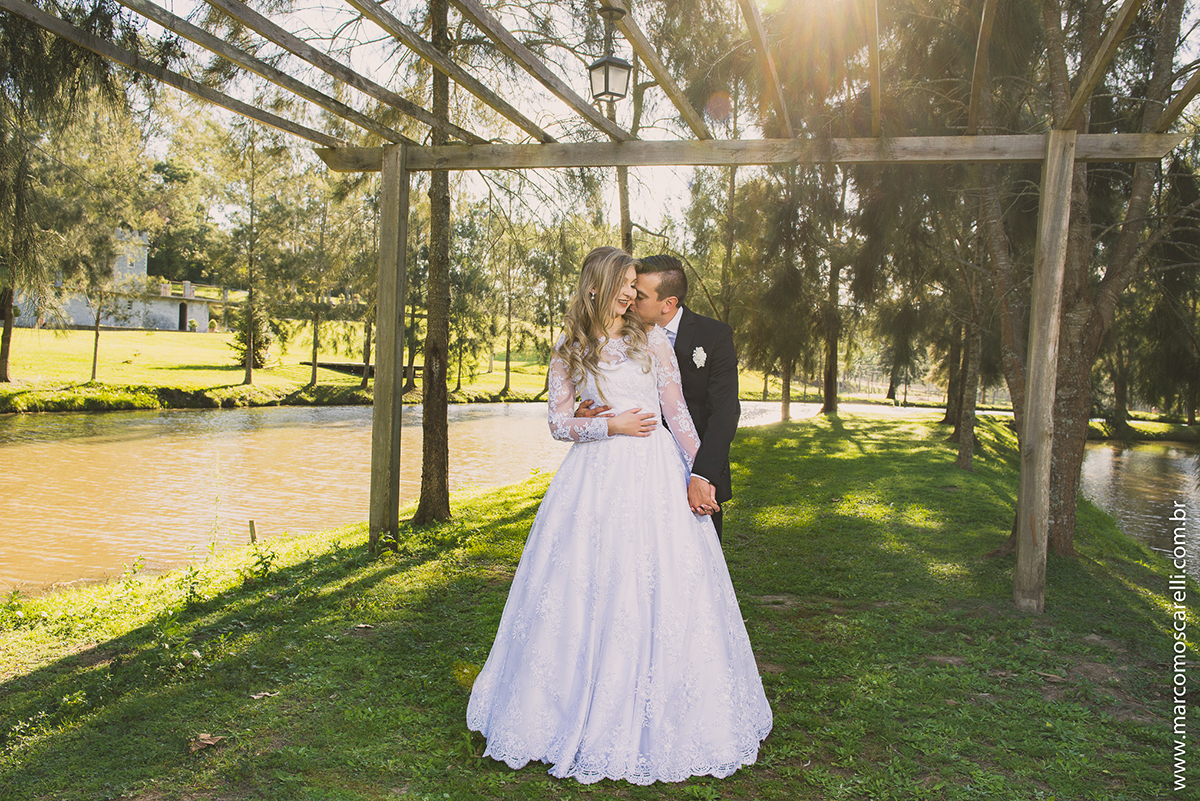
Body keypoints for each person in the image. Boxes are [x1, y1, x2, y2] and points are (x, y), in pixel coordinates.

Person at [466, 246, 772, 785]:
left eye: (636, 284)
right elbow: (559, 424)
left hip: (656, 476)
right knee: (587, 584)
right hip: (593, 482)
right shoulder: (569, 347)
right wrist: (610, 427)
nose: (632, 292)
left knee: (662, 585)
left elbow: (677, 415)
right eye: (625, 282)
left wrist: (702, 475)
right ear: (596, 286)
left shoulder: (650, 339)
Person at [579, 254, 740, 539]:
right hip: (624, 470)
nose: (628, 298)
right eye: (626, 286)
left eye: (638, 295)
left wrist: (701, 475)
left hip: (693, 469)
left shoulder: (714, 336)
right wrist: (587, 413)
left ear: (668, 304)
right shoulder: (611, 332)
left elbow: (725, 413)